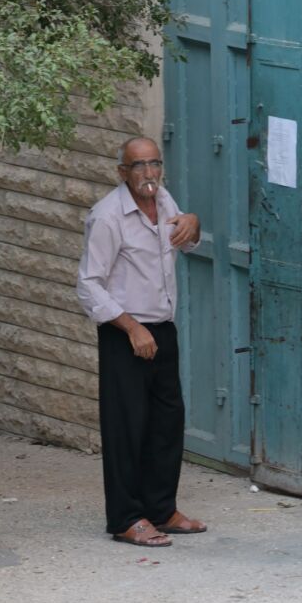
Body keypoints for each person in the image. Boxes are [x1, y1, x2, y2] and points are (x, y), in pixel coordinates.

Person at [76, 136, 206, 548]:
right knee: (126, 428)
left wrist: (194, 224)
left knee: (167, 423)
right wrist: (132, 328)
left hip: (162, 328)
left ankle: (161, 509)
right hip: (125, 334)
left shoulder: (163, 199)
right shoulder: (108, 217)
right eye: (138, 166)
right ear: (122, 172)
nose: (148, 174)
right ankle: (126, 518)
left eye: (154, 164)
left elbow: (184, 238)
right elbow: (88, 285)